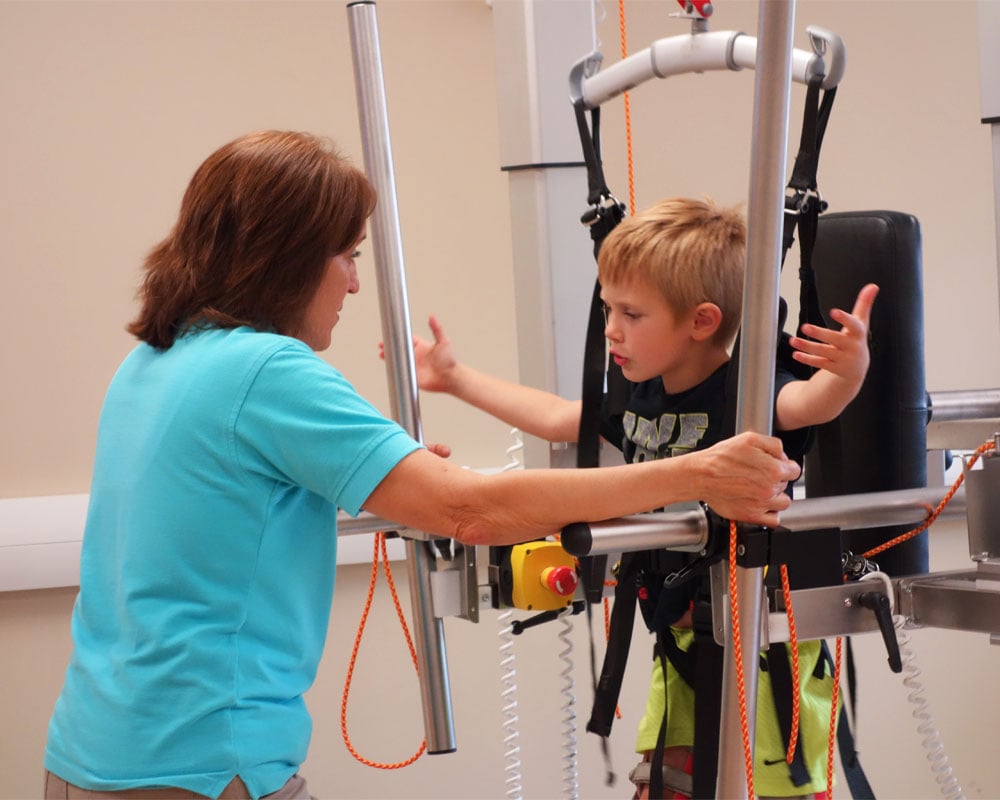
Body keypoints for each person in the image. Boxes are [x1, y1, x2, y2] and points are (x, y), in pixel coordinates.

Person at [42, 134, 800, 800]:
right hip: (201, 767)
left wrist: (392, 482)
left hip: (93, 747)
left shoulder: (153, 359)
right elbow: (468, 511)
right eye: (346, 258)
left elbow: (220, 512)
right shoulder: (266, 369)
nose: (353, 284)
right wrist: (695, 474)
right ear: (287, 260)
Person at [401, 197, 878, 799]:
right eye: (607, 309)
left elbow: (812, 404)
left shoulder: (750, 391)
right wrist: (455, 378)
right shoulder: (636, 394)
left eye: (631, 313)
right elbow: (556, 418)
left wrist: (849, 371)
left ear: (701, 322)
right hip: (679, 632)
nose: (611, 330)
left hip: (761, 637)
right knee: (666, 782)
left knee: (775, 788)